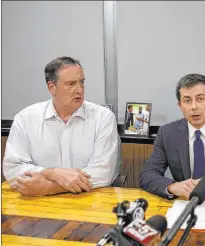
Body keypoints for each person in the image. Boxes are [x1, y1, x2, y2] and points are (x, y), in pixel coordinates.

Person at [3, 56, 120, 196]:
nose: (79, 90)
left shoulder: (103, 117)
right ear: (52, 87)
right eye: (71, 84)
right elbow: (13, 168)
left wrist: (50, 187)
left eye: (81, 82)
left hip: (90, 200)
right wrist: (51, 173)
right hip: (38, 202)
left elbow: (103, 172)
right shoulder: (25, 118)